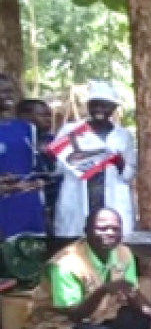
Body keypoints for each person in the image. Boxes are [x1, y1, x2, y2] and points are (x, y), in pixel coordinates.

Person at [53, 81, 136, 238]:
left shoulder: (123, 136)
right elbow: (59, 168)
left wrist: (118, 162)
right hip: (77, 197)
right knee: (74, 244)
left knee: (112, 241)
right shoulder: (70, 130)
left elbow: (129, 173)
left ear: (113, 108)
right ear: (88, 106)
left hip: (112, 199)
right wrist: (82, 159)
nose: (99, 110)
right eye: (95, 105)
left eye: (105, 106)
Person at [0, 94, 45, 239]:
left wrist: (39, 182)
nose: (7, 95)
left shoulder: (27, 129)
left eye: (9, 90)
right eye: (2, 90)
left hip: (25, 209)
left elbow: (34, 169)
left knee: (26, 256)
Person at [17, 98, 60, 234]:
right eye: (43, 115)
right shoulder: (17, 142)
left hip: (55, 203)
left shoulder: (55, 141)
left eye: (49, 115)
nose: (48, 119)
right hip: (24, 205)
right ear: (24, 117)